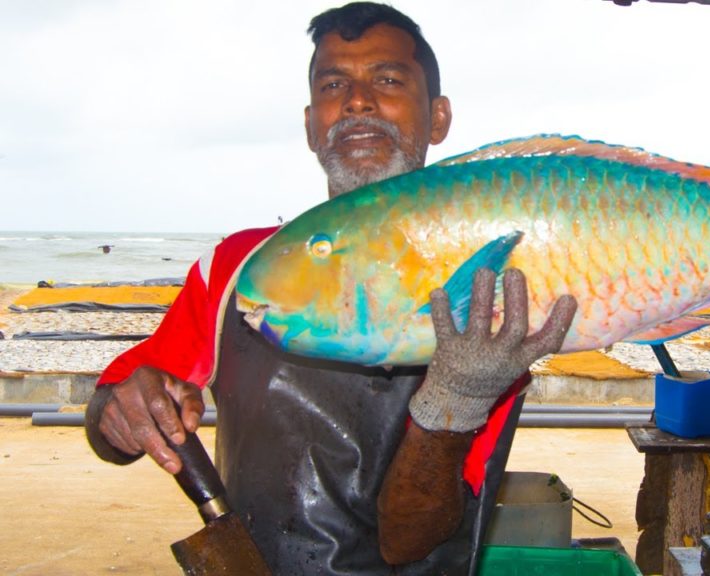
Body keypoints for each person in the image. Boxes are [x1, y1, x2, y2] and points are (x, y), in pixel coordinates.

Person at [83, 4, 578, 574]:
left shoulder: (492, 287)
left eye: (388, 79)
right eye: (333, 84)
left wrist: (456, 399)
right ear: (312, 123)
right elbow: (110, 424)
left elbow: (409, 541)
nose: (358, 100)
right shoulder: (240, 268)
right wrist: (121, 410)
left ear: (438, 118)